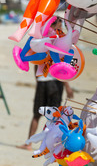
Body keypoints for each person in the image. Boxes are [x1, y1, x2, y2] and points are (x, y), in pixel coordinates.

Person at [17, 17, 74, 150]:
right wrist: (67, 86)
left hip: (43, 82)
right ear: (55, 26)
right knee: (54, 117)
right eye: (59, 26)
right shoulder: (61, 42)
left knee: (37, 114)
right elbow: (64, 68)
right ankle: (52, 145)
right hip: (55, 83)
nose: (61, 29)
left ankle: (28, 143)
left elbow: (35, 62)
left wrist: (38, 79)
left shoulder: (43, 39)